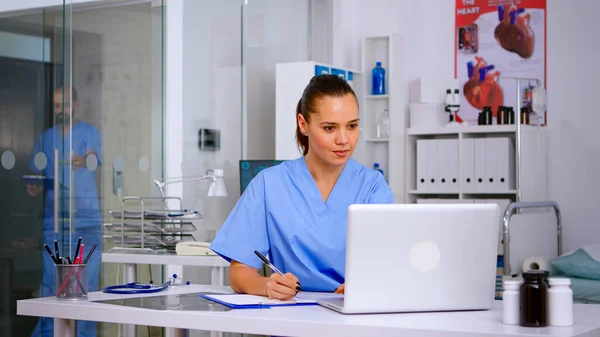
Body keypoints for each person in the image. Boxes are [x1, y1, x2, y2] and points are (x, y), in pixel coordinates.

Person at [210, 74, 393, 300]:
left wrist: (368, 283)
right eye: (329, 128)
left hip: (354, 316)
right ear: (303, 124)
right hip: (292, 315)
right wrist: (267, 286)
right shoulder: (269, 185)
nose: (344, 139)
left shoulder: (372, 187)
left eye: (352, 126)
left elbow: (388, 264)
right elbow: (239, 272)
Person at [26, 86, 102, 337]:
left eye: (66, 105)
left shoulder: (89, 133)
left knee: (85, 284)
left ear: (77, 105)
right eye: (57, 106)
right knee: (51, 283)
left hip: (85, 219)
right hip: (55, 219)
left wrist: (82, 159)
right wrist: (34, 186)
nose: (61, 111)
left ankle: (84, 334)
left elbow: (92, 159)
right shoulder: (46, 137)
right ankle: (49, 332)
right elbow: (34, 176)